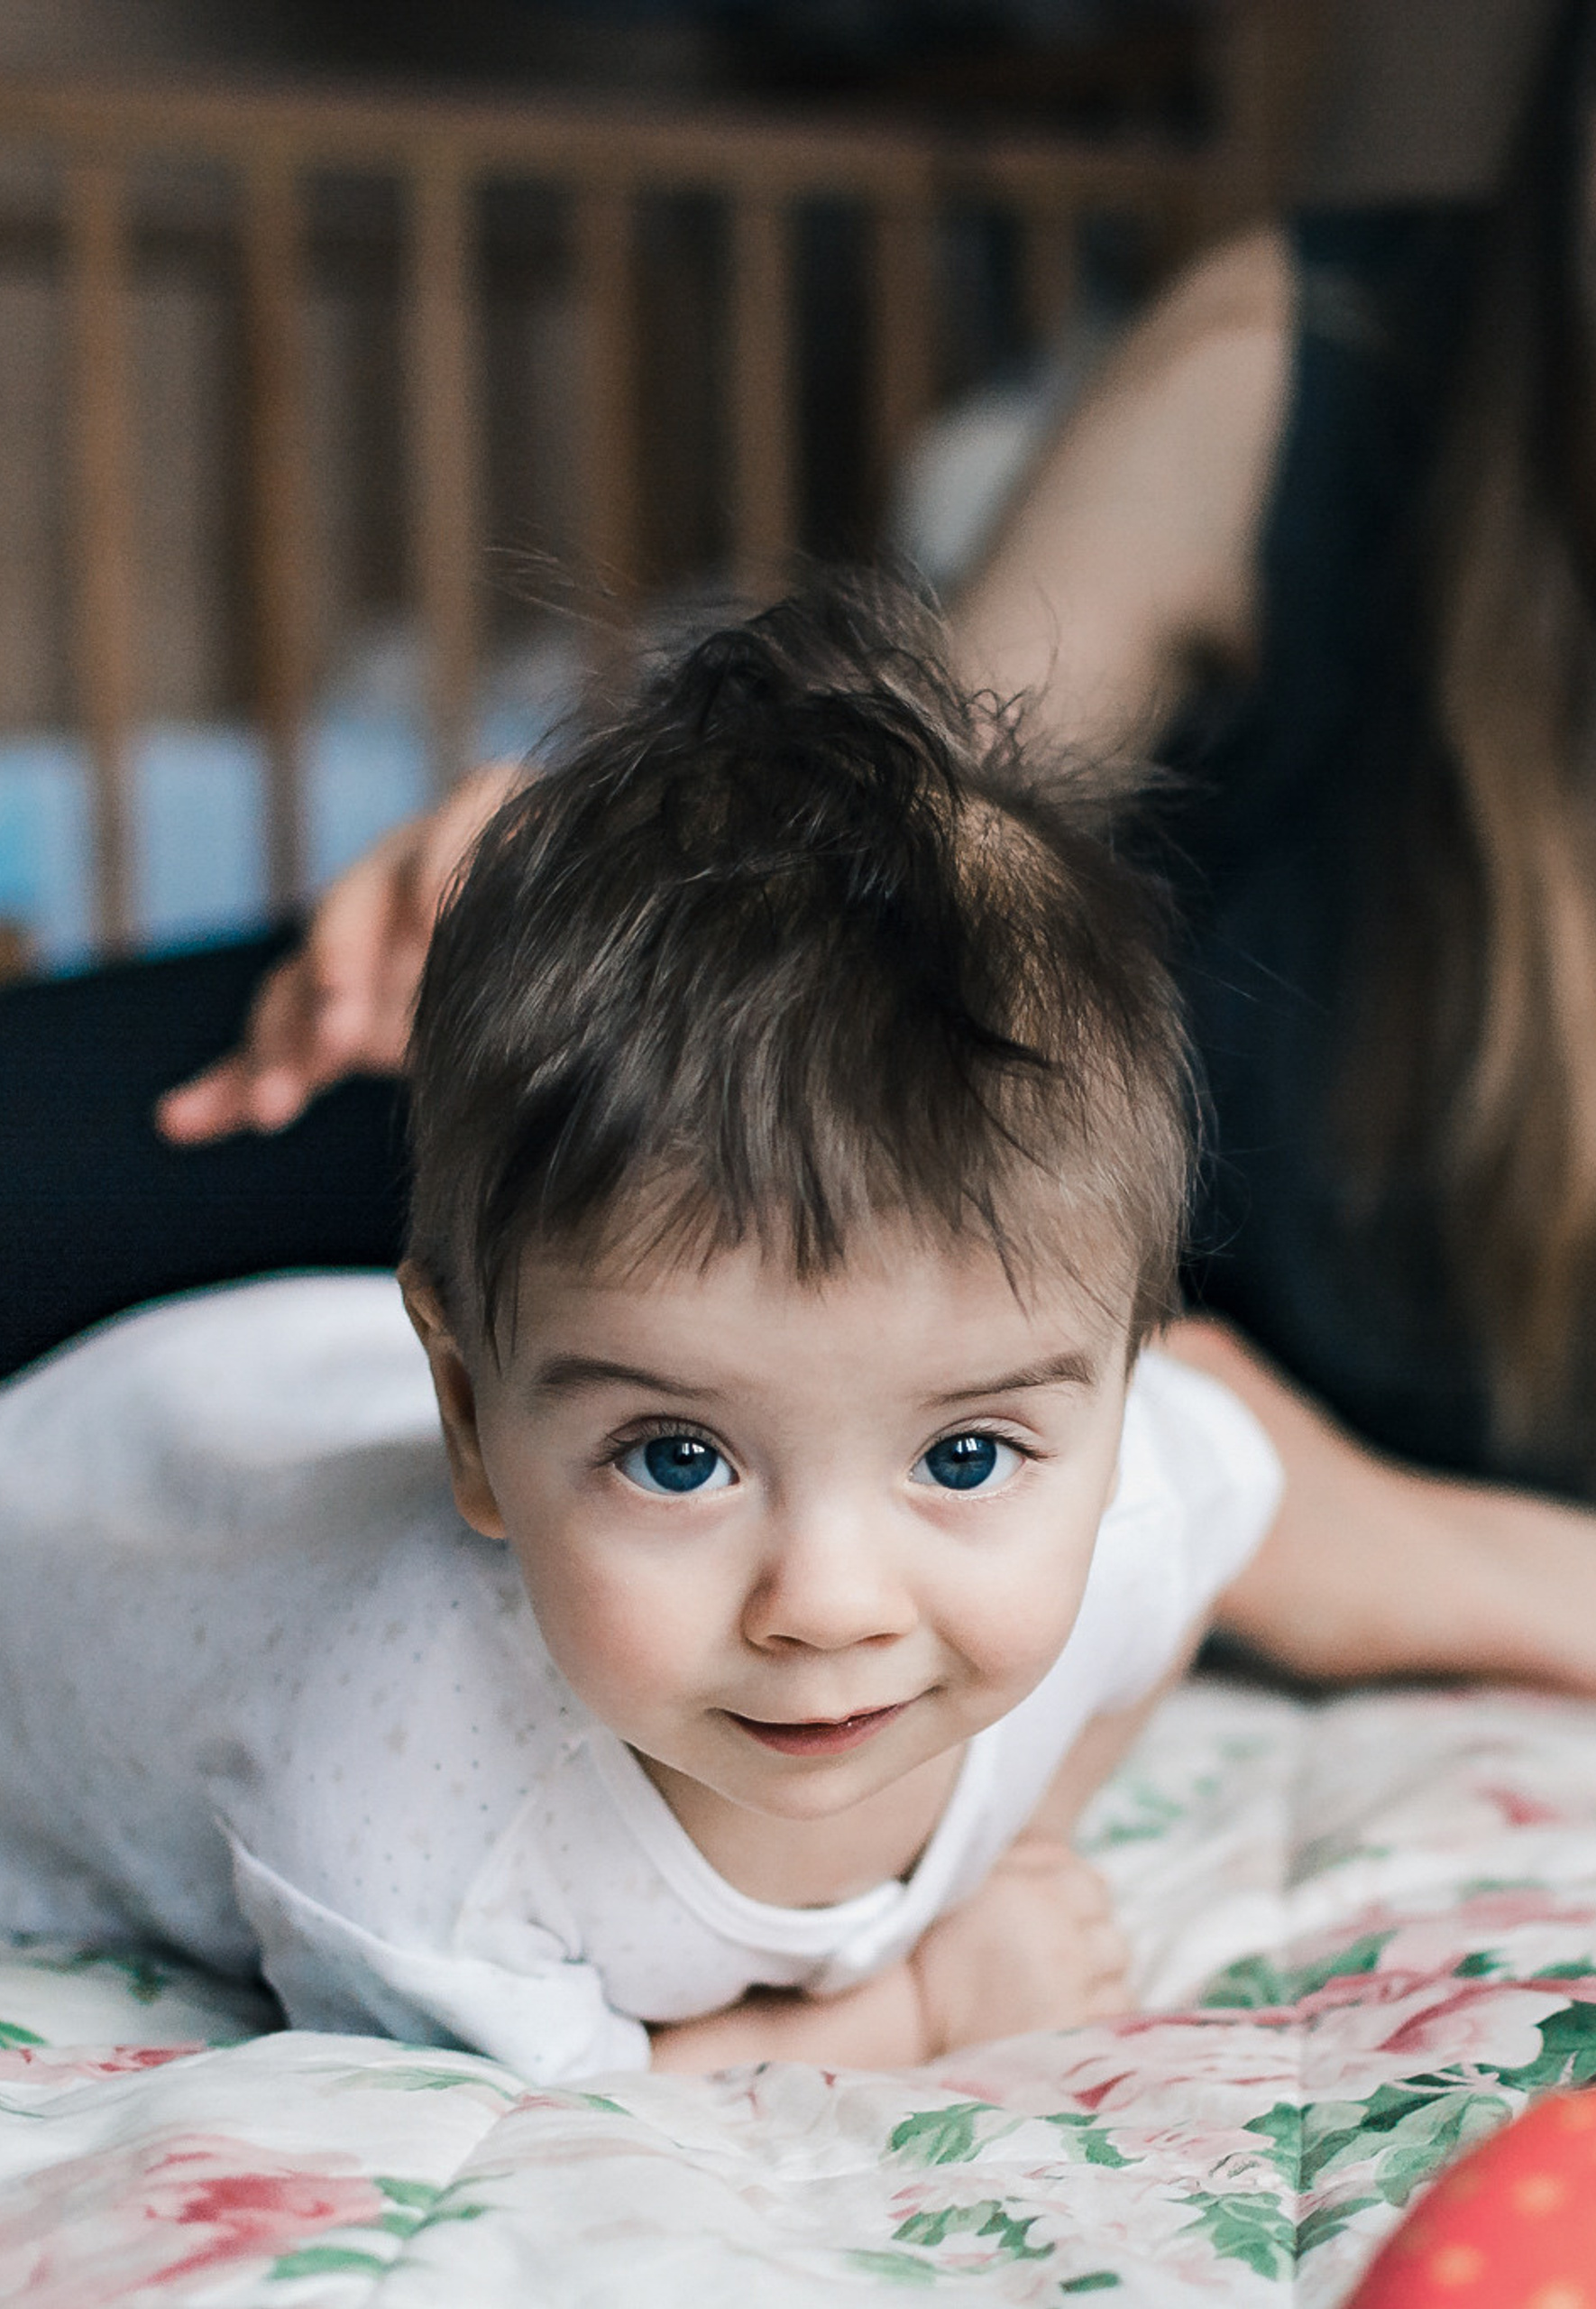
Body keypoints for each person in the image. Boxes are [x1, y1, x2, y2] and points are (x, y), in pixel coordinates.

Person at [8, 0, 1596, 1732]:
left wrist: (1414, 1565)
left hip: (922, 1463)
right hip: (578, 1154)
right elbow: (893, 806)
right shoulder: (1295, 370)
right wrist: (612, 835)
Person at [0, 582, 1280, 2083]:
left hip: (292, 1378)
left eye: (968, 1452)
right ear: (469, 1418)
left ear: (1119, 1390)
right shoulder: (415, 1829)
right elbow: (541, 2116)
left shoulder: (1133, 1503)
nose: (830, 1605)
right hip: (87, 1499)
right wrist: (925, 2003)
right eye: (678, 1459)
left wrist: (1027, 1832)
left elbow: (1214, 1505)